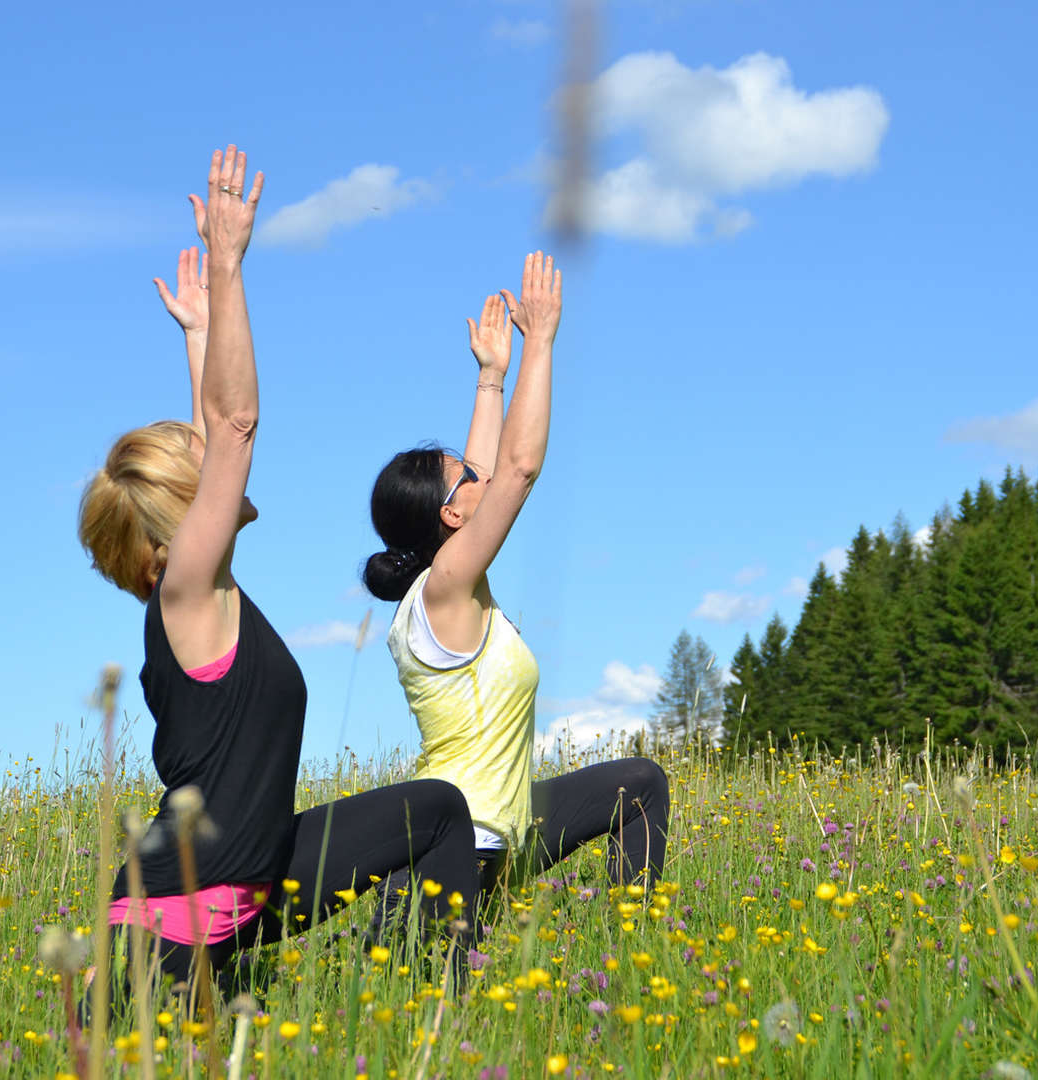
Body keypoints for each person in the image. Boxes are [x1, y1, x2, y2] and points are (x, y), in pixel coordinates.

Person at [77, 145, 480, 994]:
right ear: (187, 506)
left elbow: (211, 429)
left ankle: (443, 1003)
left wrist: (198, 333)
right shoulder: (186, 592)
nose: (223, 471)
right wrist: (228, 268)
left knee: (439, 808)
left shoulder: (203, 590)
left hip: (257, 883)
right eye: (202, 467)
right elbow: (232, 425)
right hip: (173, 921)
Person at [361, 253, 668, 921]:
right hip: (452, 847)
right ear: (450, 515)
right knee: (437, 1013)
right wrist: (543, 345)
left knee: (640, 784)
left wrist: (492, 377)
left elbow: (488, 469)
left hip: (504, 828)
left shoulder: (453, 583)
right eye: (469, 480)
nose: (483, 476)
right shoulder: (445, 587)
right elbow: (519, 468)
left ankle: (638, 950)